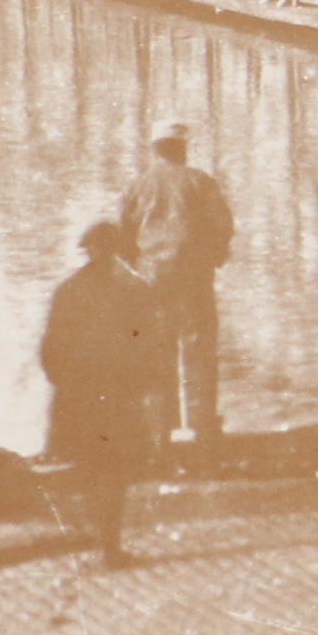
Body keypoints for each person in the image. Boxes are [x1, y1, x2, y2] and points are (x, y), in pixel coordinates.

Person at [38, 219, 168, 565]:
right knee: (116, 470)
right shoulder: (132, 291)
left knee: (88, 466)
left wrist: (65, 385)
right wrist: (141, 388)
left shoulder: (67, 290)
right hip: (116, 397)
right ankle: (109, 546)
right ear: (116, 251)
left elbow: (49, 351)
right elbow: (146, 347)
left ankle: (92, 542)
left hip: (75, 397)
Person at [116, 119, 236, 445]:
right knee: (199, 350)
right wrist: (213, 258)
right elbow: (223, 226)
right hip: (194, 277)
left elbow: (122, 237)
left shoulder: (137, 186)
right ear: (183, 148)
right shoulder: (200, 181)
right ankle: (202, 430)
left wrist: (140, 267)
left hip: (152, 280)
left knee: (157, 352)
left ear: (154, 150)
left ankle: (161, 434)